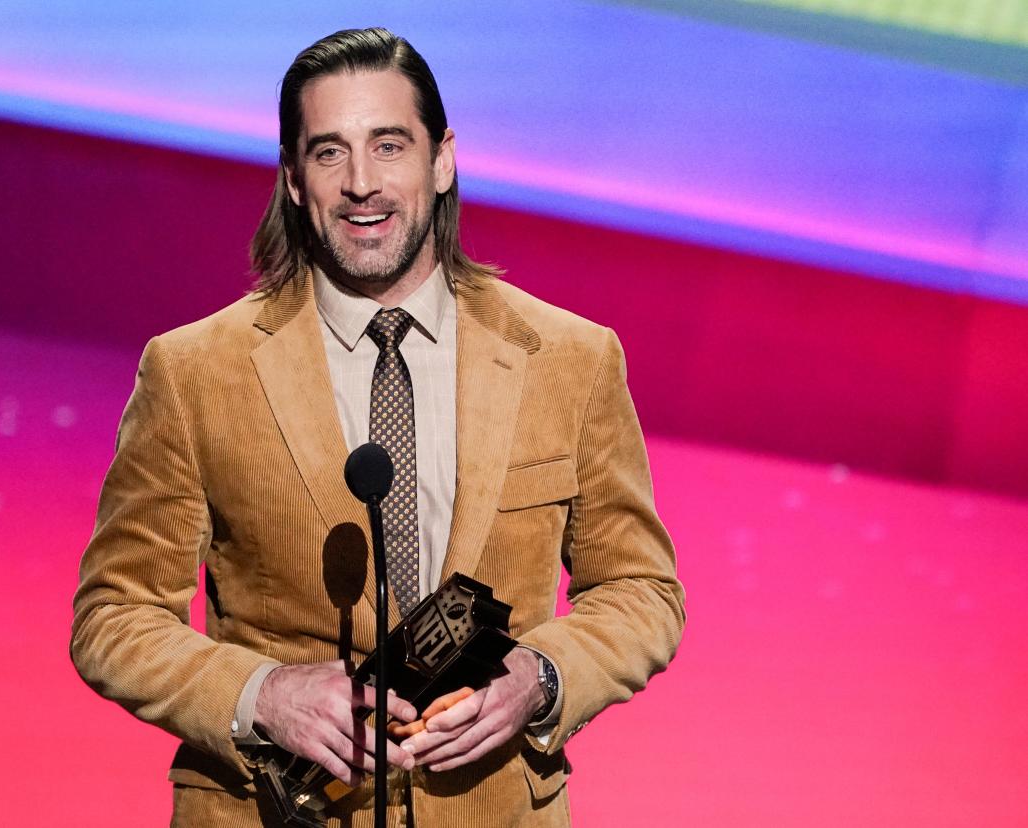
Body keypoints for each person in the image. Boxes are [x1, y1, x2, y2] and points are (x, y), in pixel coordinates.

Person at [70, 27, 684, 828]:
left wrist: (542, 675)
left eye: (389, 145)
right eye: (330, 153)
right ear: (293, 178)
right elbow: (113, 615)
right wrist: (263, 696)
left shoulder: (569, 359)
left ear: (442, 159)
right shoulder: (194, 372)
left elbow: (642, 590)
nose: (362, 183)